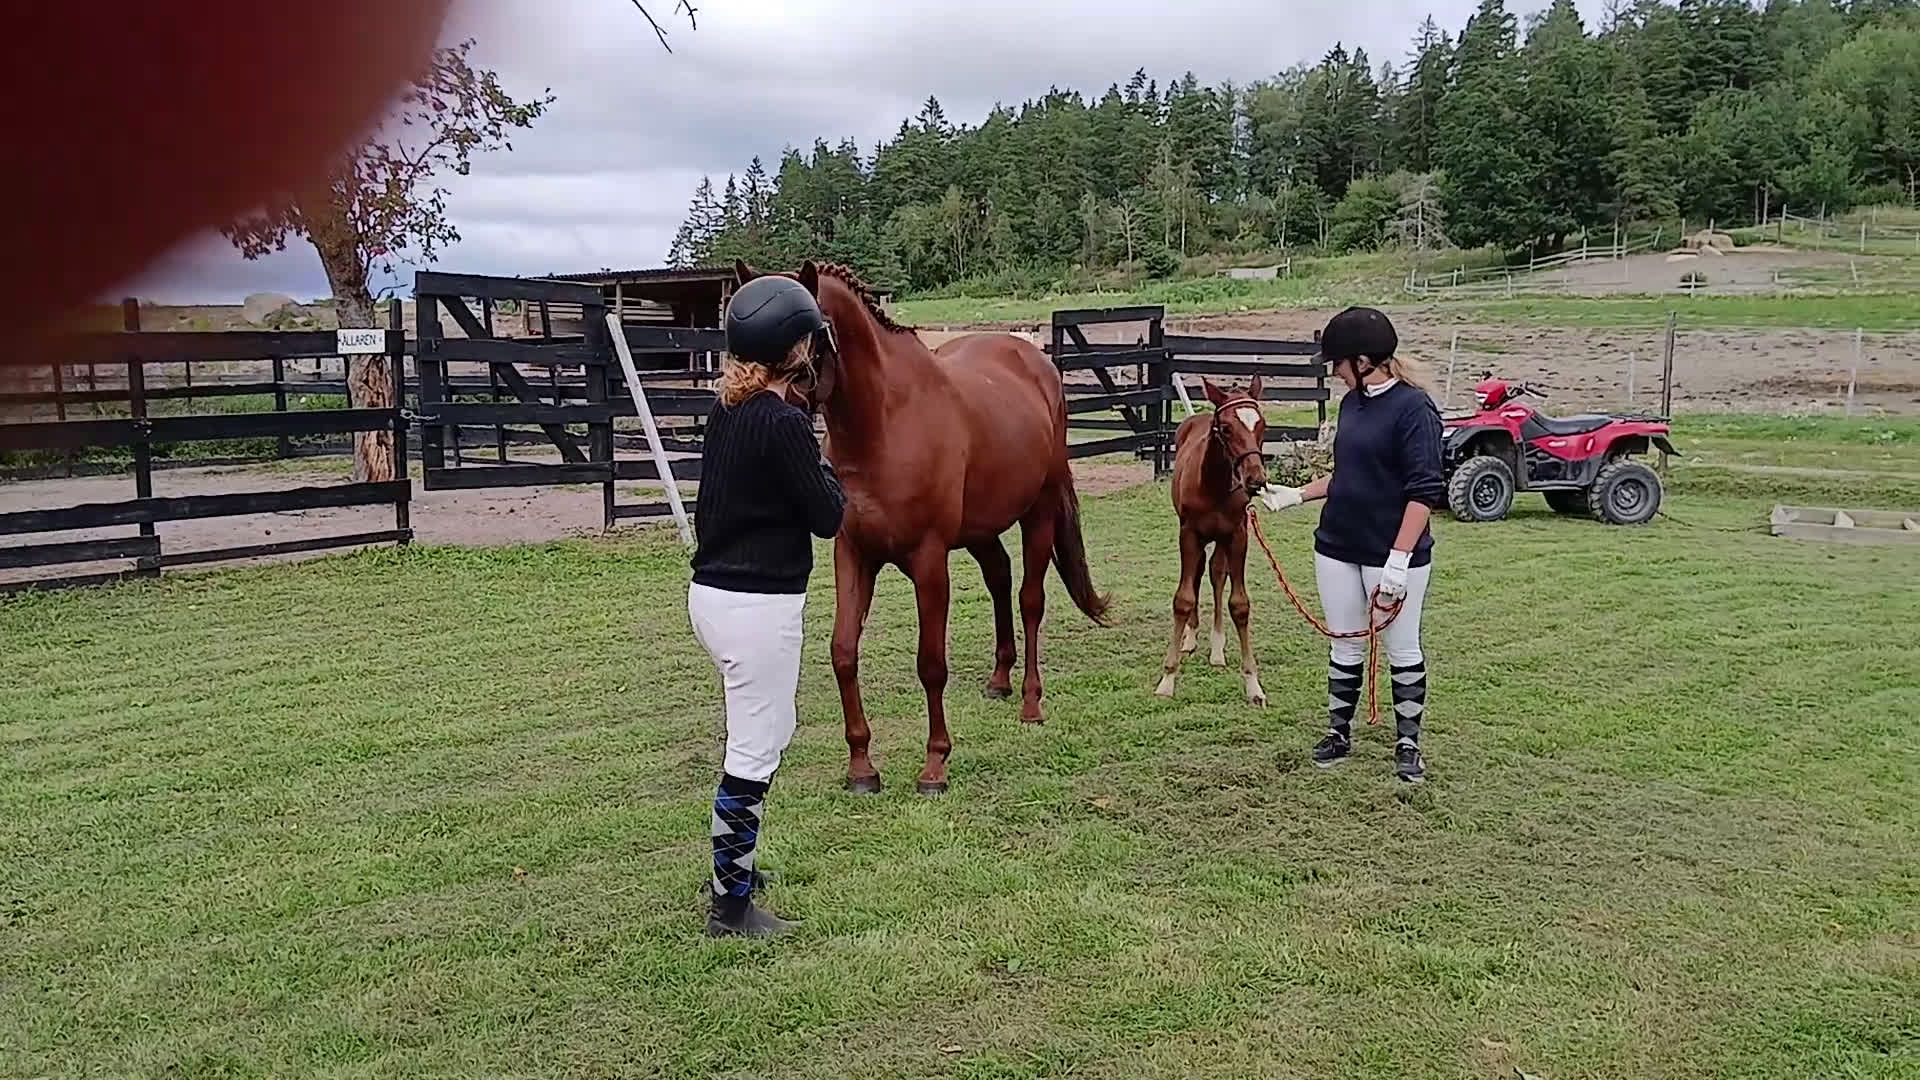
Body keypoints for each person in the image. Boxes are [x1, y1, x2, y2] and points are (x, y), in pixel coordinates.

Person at [688, 274, 846, 937]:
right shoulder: (782, 424)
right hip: (758, 608)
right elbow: (828, 516)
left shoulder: (731, 408)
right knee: (753, 754)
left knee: (768, 733)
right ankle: (730, 908)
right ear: (796, 348)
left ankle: (736, 866)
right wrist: (828, 466)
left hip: (714, 596)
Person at [1261, 306, 1445, 783]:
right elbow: (1350, 473)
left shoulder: (1414, 408)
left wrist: (1398, 561)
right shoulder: (1352, 403)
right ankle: (1339, 732)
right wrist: (1296, 495)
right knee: (1344, 644)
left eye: (1338, 364)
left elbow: (1424, 491)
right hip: (1337, 545)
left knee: (1402, 648)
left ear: (1363, 360)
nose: (1336, 373)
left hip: (1390, 552)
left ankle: (1408, 744)